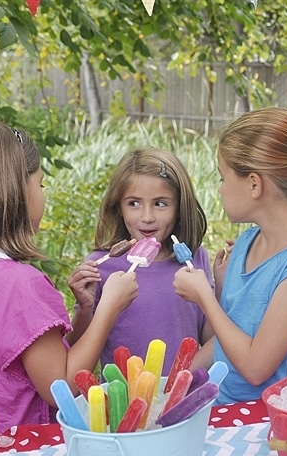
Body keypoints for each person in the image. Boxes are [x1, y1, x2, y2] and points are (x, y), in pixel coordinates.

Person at [0, 116, 138, 432]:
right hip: (25, 445)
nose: (43, 194)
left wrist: (85, 311)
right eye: (41, 183)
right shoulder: (20, 285)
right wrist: (109, 308)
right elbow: (59, 386)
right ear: (15, 192)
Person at [173, 107, 287, 403]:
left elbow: (255, 368)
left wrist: (204, 298)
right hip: (222, 406)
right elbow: (227, 337)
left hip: (268, 421)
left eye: (223, 178)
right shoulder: (247, 242)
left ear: (254, 184)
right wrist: (177, 382)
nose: (219, 190)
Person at [67, 147, 213, 375]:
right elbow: (75, 353)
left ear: (179, 208)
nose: (147, 217)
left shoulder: (193, 259)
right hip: (124, 402)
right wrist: (84, 310)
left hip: (183, 396)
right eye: (134, 203)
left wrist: (220, 287)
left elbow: (209, 336)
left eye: (160, 203)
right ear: (119, 207)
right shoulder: (101, 266)